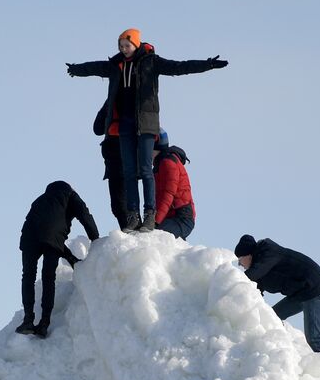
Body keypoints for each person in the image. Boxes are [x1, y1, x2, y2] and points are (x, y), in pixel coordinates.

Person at [67, 29, 227, 231]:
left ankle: (149, 215)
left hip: (146, 124)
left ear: (136, 44)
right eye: (121, 46)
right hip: (124, 125)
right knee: (130, 172)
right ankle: (133, 216)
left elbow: (179, 67)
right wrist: (76, 69)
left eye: (127, 45)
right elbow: (95, 67)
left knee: (145, 169)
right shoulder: (116, 65)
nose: (124, 50)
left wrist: (208, 64)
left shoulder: (151, 61)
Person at [17, 181, 99, 338]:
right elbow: (84, 215)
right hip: (52, 238)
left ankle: (28, 319)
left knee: (28, 276)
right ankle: (44, 323)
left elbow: (43, 230)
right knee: (48, 277)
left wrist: (69, 256)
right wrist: (96, 240)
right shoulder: (70, 196)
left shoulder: (40, 200)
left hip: (28, 238)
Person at [233, 234, 320, 351]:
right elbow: (254, 291)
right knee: (271, 317)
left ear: (248, 255)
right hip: (300, 292)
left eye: (240, 260)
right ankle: (278, 352)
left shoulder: (269, 252)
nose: (240, 265)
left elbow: (252, 276)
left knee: (314, 337)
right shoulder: (259, 267)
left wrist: (233, 281)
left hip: (314, 288)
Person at [151, 130, 195, 240]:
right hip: (170, 217)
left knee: (154, 237)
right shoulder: (158, 166)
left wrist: (156, 221)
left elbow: (168, 194)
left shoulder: (168, 162)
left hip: (182, 218)